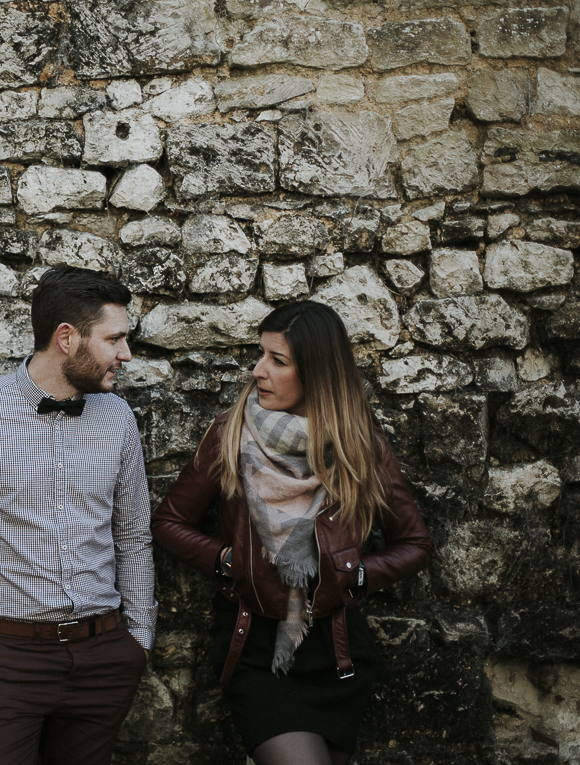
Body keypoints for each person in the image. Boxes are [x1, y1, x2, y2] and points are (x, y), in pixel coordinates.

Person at [151, 300, 432, 765]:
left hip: (337, 649)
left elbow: (415, 544)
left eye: (277, 361)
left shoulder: (359, 443)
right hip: (257, 648)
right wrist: (228, 560)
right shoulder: (229, 433)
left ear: (317, 374)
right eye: (261, 355)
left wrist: (356, 575)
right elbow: (168, 522)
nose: (258, 371)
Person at [0, 266, 156, 765]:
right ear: (67, 338)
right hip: (6, 660)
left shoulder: (119, 418)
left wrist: (139, 641)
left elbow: (133, 537)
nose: (125, 355)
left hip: (104, 656)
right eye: (115, 339)